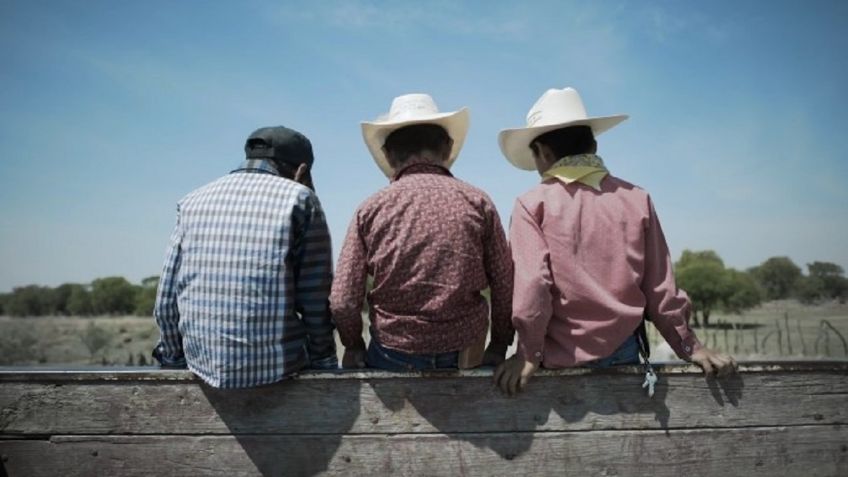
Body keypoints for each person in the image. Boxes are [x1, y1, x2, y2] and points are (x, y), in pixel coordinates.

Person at [494, 87, 736, 395]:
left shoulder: (532, 204)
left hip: (558, 358)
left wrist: (528, 353)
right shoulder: (637, 199)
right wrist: (690, 347)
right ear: (593, 145)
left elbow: (532, 288)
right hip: (623, 353)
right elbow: (660, 287)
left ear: (541, 152)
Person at [330, 93, 514, 371]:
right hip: (466, 352)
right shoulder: (478, 202)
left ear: (389, 156)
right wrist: (500, 344)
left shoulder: (370, 209)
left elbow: (343, 301)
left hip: (392, 353)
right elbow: (505, 284)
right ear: (447, 148)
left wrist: (354, 346)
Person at [152, 126, 337, 389]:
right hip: (277, 369)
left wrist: (173, 360)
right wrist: (325, 362)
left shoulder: (191, 201)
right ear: (302, 171)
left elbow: (166, 302)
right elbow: (315, 299)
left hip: (201, 366)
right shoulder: (300, 198)